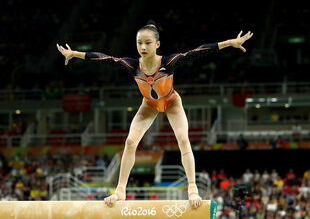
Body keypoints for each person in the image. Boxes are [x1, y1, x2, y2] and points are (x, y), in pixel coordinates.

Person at [57, 21, 253, 208]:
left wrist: (230, 43)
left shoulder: (168, 63)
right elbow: (105, 58)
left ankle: (192, 188)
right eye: (139, 43)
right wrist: (75, 53)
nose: (143, 46)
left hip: (171, 102)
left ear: (157, 44)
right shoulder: (133, 65)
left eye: (148, 42)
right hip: (149, 105)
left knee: (183, 140)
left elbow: (197, 52)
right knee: (130, 142)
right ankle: (120, 190)